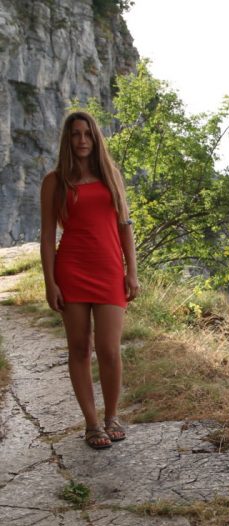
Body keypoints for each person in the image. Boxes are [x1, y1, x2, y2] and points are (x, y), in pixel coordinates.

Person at [40, 111, 139, 450]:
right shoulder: (55, 182)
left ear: (95, 139)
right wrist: (49, 282)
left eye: (87, 134)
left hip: (109, 270)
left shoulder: (112, 176)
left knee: (109, 349)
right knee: (80, 349)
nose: (82, 140)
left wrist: (132, 272)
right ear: (68, 140)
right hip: (71, 270)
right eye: (75, 134)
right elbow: (46, 236)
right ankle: (92, 424)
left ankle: (112, 416)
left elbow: (126, 227)